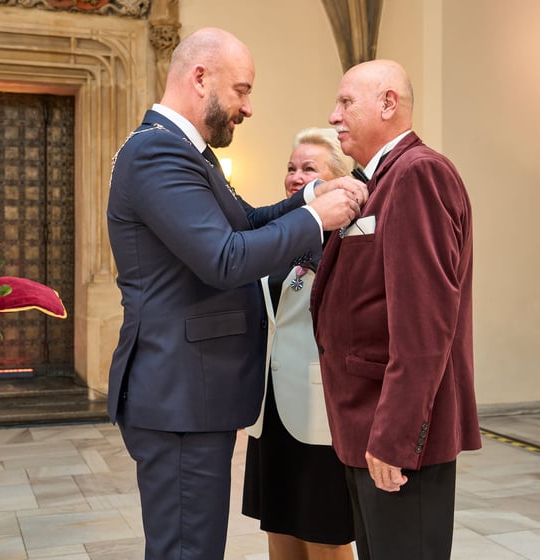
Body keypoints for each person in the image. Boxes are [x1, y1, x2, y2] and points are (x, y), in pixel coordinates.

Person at [106, 28, 368, 560]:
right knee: (188, 549)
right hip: (180, 392)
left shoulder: (187, 151)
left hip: (193, 391)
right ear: (200, 78)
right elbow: (225, 257)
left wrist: (311, 195)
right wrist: (317, 219)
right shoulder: (158, 152)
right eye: (242, 90)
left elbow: (246, 221)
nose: (248, 107)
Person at [310, 59, 481, 560]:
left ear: (388, 103)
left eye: (345, 102)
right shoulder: (379, 178)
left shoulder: (418, 174)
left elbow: (425, 328)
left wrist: (395, 437)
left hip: (396, 437)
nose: (333, 114)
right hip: (365, 424)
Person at [242, 127, 356, 560]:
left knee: (323, 533)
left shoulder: (347, 241)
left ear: (338, 178)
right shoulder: (279, 233)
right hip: (269, 409)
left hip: (317, 409)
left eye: (309, 168)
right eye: (291, 168)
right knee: (279, 527)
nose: (296, 177)